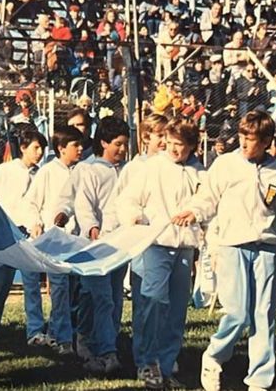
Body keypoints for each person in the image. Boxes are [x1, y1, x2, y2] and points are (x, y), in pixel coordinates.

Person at [172, 110, 276, 391]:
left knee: (263, 315)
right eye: (242, 137)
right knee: (237, 313)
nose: (244, 143)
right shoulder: (225, 165)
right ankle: (214, 356)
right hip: (231, 245)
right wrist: (193, 211)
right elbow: (207, 198)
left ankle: (260, 380)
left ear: (266, 142)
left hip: (266, 247)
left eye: (251, 139)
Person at [119, 120, 204, 389]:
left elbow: (206, 203)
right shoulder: (152, 167)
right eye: (172, 143)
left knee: (177, 309)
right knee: (152, 304)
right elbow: (128, 199)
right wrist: (137, 219)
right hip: (156, 243)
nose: (175, 149)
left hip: (185, 245)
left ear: (192, 146)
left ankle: (167, 366)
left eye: (182, 145)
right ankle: (147, 362)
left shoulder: (198, 170)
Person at [68, 116, 130, 375]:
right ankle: (102, 349)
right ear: (103, 142)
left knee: (113, 298)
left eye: (125, 144)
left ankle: (103, 342)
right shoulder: (89, 169)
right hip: (94, 245)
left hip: (121, 243)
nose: (122, 150)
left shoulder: (126, 170)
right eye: (117, 144)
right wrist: (93, 228)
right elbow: (83, 204)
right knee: (98, 297)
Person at [0, 128, 47, 345]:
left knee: (32, 281)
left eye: (43, 148)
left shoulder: (41, 173)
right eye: (36, 147)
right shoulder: (6, 170)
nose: (40, 153)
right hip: (7, 231)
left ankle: (35, 330)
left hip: (28, 233)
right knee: (0, 282)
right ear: (24, 148)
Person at [112, 113, 168, 375]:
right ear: (146, 137)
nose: (165, 141)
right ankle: (144, 359)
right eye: (160, 136)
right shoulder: (135, 168)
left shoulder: (171, 165)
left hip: (168, 241)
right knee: (146, 303)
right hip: (144, 243)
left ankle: (163, 355)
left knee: (164, 305)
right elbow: (122, 202)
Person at [25, 124, 84, 356]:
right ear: (61, 148)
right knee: (59, 289)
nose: (79, 149)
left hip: (78, 239)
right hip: (55, 240)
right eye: (74, 145)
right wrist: (36, 222)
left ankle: (69, 332)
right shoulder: (48, 172)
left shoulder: (83, 170)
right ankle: (63, 339)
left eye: (81, 144)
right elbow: (31, 203)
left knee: (76, 290)